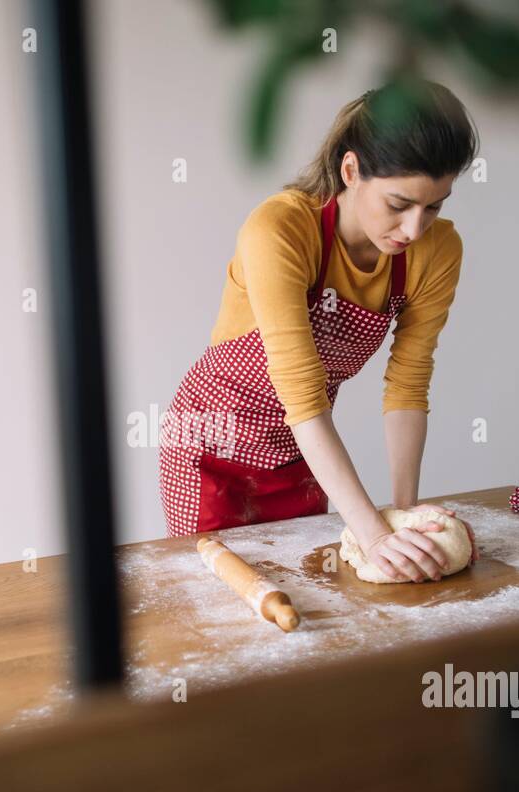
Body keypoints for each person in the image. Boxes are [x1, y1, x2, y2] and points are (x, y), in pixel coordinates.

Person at [158, 80, 479, 583]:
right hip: (209, 452)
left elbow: (408, 385)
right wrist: (373, 536)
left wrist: (404, 517)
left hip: (299, 452)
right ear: (351, 170)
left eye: (434, 206)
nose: (415, 230)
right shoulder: (280, 231)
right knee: (234, 611)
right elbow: (304, 394)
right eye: (399, 204)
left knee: (313, 602)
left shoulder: (437, 252)